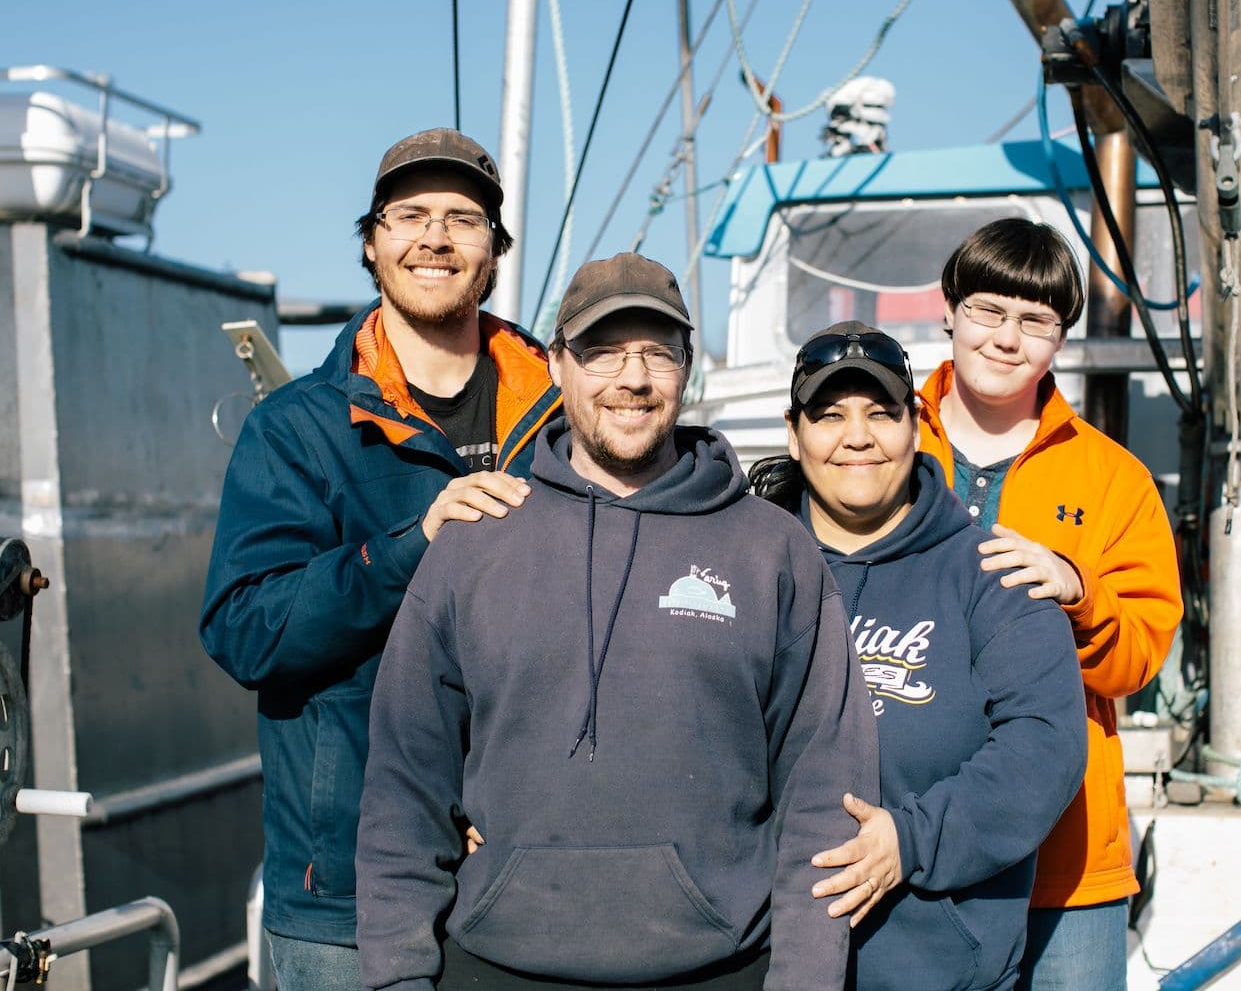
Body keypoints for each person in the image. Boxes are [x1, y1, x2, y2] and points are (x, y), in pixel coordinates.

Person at [355, 253, 878, 991]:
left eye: (657, 352)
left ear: (687, 368)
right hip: (495, 967)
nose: (632, 378)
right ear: (558, 365)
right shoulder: (476, 540)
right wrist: (397, 979)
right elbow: (404, 788)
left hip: (723, 969)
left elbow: (823, 791)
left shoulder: (771, 548)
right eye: (602, 351)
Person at [200, 128, 561, 990]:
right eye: (408, 216)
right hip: (349, 899)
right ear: (371, 243)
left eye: (462, 219)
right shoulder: (295, 428)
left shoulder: (563, 417)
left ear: (496, 250)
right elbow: (247, 631)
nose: (434, 238)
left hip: (539, 875)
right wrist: (411, 549)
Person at [748, 321, 1088, 991]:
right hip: (762, 963)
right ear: (793, 434)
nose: (856, 437)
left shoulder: (993, 574)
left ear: (914, 427)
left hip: (939, 968)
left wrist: (910, 841)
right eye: (829, 416)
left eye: (881, 413)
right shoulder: (746, 572)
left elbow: (1044, 746)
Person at [916, 219, 1183, 990]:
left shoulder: (1113, 478)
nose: (1006, 339)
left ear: (1059, 338)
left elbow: (1137, 660)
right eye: (987, 311)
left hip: (1065, 865)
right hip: (899, 836)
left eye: (1035, 320)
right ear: (949, 312)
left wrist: (1079, 590)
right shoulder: (878, 444)